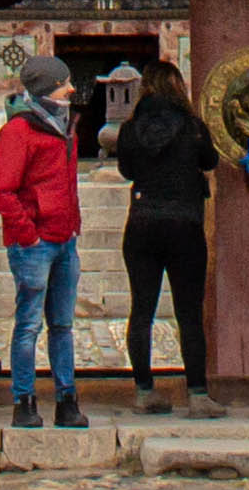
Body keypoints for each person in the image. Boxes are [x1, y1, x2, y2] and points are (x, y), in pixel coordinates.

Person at [93, 59, 220, 415]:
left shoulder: (130, 129)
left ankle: (144, 390)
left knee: (142, 310)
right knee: (188, 313)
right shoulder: (192, 127)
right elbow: (210, 161)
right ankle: (197, 394)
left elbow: (126, 169)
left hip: (142, 223)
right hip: (185, 224)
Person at [0, 49, 86, 427]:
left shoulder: (65, 129)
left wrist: (73, 225)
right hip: (35, 244)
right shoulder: (19, 132)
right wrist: (28, 234)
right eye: (64, 84)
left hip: (65, 239)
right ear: (47, 89)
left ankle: (67, 400)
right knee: (28, 325)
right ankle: (24, 400)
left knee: (63, 325)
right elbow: (1, 190)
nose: (71, 90)